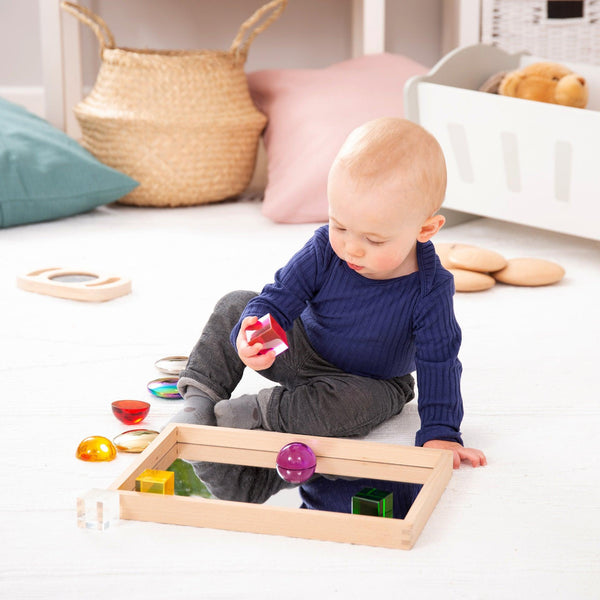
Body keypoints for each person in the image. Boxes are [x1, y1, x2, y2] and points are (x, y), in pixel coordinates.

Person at [171, 117, 486, 504]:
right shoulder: (324, 247)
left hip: (372, 382)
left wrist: (441, 433)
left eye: (373, 239)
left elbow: (440, 362)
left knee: (353, 408)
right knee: (237, 303)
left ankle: (256, 415)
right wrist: (253, 331)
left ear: (425, 229)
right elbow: (279, 297)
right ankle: (199, 402)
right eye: (340, 226)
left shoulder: (431, 289)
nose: (351, 247)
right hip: (303, 349)